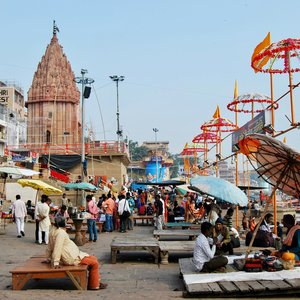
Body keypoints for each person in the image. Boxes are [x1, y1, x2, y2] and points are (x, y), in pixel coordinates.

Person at [43, 216, 107, 290]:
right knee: (94, 262)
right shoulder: (60, 233)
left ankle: (95, 281)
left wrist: (48, 258)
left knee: (93, 258)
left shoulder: (53, 231)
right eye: (65, 222)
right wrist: (56, 262)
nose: (66, 223)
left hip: (72, 255)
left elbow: (49, 246)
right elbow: (57, 247)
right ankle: (94, 285)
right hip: (71, 258)